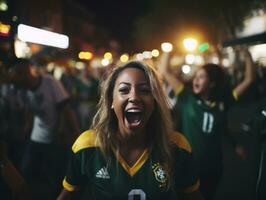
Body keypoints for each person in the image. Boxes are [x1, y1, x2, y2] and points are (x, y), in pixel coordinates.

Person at [57, 61, 203, 200]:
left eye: (145, 90)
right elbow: (67, 196)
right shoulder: (87, 146)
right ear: (111, 101)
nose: (134, 97)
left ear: (155, 102)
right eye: (124, 90)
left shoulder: (178, 147)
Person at [158, 48, 255, 200]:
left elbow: (249, 80)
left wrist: (248, 56)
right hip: (187, 165)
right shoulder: (187, 98)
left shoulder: (223, 102)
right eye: (195, 76)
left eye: (201, 77)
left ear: (212, 83)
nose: (196, 80)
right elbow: (165, 71)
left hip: (213, 167)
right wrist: (169, 51)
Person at [8, 58, 80, 199]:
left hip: (55, 138)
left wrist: (74, 133)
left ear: (26, 72)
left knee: (55, 176)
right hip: (37, 136)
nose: (13, 79)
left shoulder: (49, 82)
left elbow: (65, 109)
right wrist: (27, 127)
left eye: (16, 75)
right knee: (26, 170)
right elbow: (29, 110)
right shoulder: (22, 91)